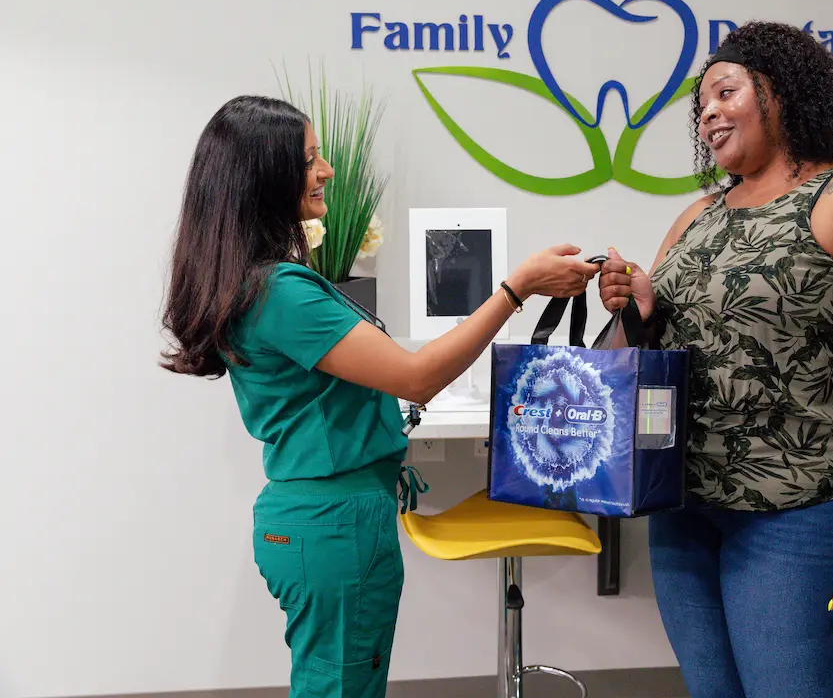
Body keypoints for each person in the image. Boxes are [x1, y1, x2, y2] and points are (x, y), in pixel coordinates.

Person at [159, 95, 599, 697]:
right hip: (336, 523)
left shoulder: (253, 284)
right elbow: (416, 377)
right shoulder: (282, 292)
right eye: (310, 158)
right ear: (265, 179)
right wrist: (515, 289)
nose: (327, 170)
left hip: (317, 517)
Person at [598, 22, 833, 698]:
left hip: (803, 518)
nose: (707, 113)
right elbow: (645, 360)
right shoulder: (700, 215)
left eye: (725, 92)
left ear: (781, 92)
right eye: (700, 105)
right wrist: (634, 313)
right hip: (688, 516)